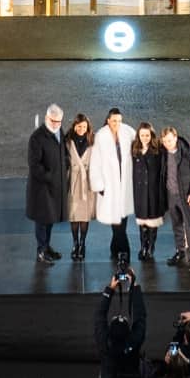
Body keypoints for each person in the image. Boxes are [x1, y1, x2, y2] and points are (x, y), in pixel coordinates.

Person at [89, 108, 138, 268]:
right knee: (116, 222)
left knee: (122, 221)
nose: (117, 123)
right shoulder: (101, 136)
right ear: (108, 120)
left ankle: (114, 248)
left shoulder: (128, 132)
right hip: (109, 186)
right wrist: (99, 186)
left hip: (125, 185)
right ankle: (125, 253)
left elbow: (141, 143)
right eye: (114, 120)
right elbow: (95, 162)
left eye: (119, 120)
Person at [160, 125, 190, 272]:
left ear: (175, 138)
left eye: (169, 140)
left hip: (185, 196)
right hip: (171, 194)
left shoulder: (187, 152)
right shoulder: (163, 152)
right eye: (164, 141)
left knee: (189, 225)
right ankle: (180, 252)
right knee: (176, 224)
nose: (167, 144)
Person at [28, 104, 68, 267]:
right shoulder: (36, 138)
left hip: (55, 186)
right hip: (42, 189)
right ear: (46, 118)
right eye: (53, 121)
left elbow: (63, 152)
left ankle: (46, 247)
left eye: (59, 121)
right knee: (42, 220)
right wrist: (50, 177)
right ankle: (41, 251)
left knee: (50, 218)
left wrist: (66, 165)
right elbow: (34, 165)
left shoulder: (59, 132)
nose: (57, 124)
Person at [131, 123, 168, 263]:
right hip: (140, 191)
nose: (145, 138)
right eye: (142, 135)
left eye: (147, 135)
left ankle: (151, 247)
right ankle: (143, 246)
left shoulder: (158, 150)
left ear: (151, 135)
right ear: (138, 136)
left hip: (153, 191)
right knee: (142, 222)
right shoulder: (135, 149)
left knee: (152, 221)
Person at [64, 112, 95, 262]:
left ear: (87, 127)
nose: (81, 129)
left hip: (87, 182)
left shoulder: (93, 141)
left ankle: (82, 244)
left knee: (84, 215)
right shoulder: (68, 141)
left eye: (84, 126)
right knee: (74, 214)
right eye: (79, 126)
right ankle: (75, 243)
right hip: (73, 181)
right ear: (74, 126)